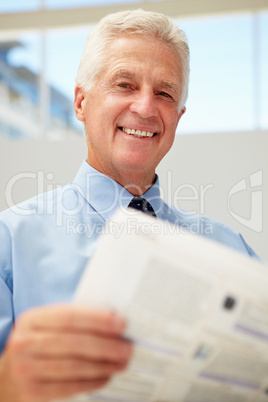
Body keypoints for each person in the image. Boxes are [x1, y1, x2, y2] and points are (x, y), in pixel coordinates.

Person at [0, 9, 260, 402]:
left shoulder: (234, 251)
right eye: (124, 84)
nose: (144, 107)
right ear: (81, 103)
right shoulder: (8, 243)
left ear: (177, 117)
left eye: (165, 93)